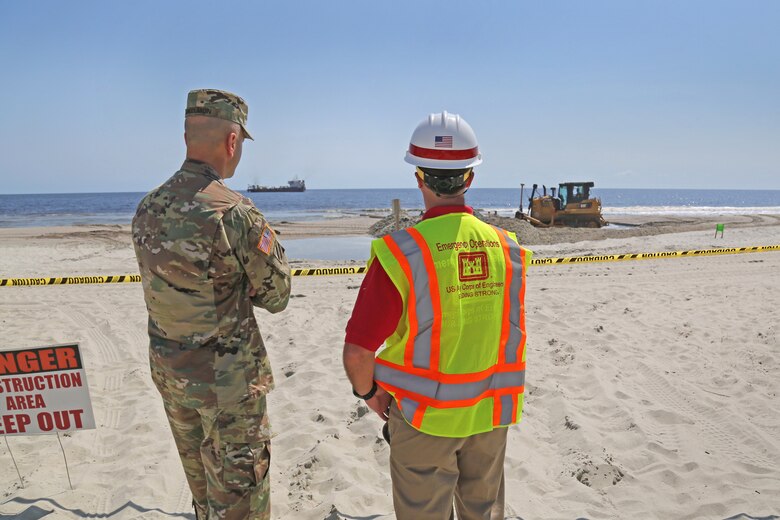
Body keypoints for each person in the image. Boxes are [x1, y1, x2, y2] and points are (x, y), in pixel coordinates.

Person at [342, 111, 531, 520]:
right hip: (489, 416)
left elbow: (358, 353)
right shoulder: (509, 248)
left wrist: (369, 395)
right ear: (470, 178)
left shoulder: (401, 254)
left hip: (423, 419)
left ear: (419, 178)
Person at [132, 89, 291, 520]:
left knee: (204, 499)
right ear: (232, 141)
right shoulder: (234, 213)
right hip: (229, 386)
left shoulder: (149, 208)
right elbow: (277, 296)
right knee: (241, 505)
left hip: (173, 377)